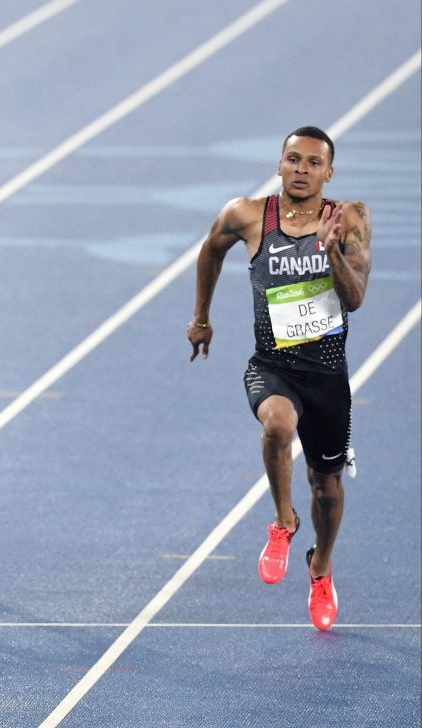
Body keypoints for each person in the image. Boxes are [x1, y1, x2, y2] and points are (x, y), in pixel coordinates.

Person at [187, 126, 371, 631]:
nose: (302, 170)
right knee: (276, 426)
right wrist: (201, 317)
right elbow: (210, 250)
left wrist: (330, 251)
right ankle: (283, 522)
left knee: (328, 490)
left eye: (314, 163)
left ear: (328, 172)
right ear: (280, 163)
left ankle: (322, 566)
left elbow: (354, 298)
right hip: (272, 367)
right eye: (293, 159)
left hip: (327, 375)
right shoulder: (247, 215)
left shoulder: (349, 218)